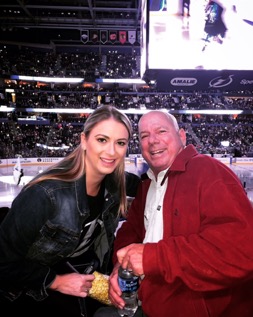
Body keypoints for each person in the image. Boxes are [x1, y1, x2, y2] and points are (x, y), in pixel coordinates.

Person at [94, 110, 253, 317]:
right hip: (151, 303)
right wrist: (120, 266)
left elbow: (242, 251)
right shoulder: (147, 186)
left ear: (182, 136)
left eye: (161, 131)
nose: (152, 141)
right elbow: (130, 232)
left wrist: (153, 257)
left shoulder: (208, 171)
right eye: (144, 136)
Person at [0, 105, 140, 317]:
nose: (111, 152)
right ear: (84, 140)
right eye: (102, 140)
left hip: (80, 270)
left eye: (120, 143)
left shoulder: (114, 181)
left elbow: (147, 185)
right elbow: (3, 262)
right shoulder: (44, 195)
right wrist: (56, 281)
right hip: (29, 289)